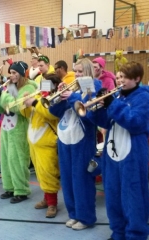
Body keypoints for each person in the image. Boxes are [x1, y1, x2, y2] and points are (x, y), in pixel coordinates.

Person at [88, 61, 149, 239]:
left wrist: (112, 105)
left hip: (133, 153)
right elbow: (105, 122)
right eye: (118, 77)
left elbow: (136, 122)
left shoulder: (144, 97)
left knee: (133, 195)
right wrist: (97, 107)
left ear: (137, 78)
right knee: (113, 193)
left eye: (124, 78)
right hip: (113, 152)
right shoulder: (118, 97)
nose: (119, 81)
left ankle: (136, 234)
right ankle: (118, 231)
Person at [49, 58, 101, 230]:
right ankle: (74, 214)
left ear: (88, 72)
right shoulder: (72, 87)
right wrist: (58, 99)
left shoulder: (95, 87)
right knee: (68, 179)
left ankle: (86, 217)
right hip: (65, 139)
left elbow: (87, 112)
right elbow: (55, 112)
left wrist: (72, 97)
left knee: (82, 180)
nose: (77, 75)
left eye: (80, 72)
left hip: (83, 141)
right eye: (75, 71)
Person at [0, 61, 37, 203]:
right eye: (10, 73)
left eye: (15, 73)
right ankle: (10, 187)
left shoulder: (29, 87)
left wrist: (5, 97)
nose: (11, 76)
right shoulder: (11, 87)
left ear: (22, 74)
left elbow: (16, 107)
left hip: (19, 128)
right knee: (5, 159)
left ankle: (21, 190)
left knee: (17, 159)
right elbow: (1, 109)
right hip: (6, 128)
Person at [22, 73, 61, 218]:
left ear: (55, 85)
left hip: (47, 143)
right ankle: (46, 199)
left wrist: (33, 102)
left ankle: (52, 204)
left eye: (47, 83)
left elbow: (50, 114)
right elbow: (27, 114)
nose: (43, 86)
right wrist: (25, 102)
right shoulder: (39, 97)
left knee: (49, 173)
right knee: (40, 173)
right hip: (34, 143)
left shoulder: (56, 98)